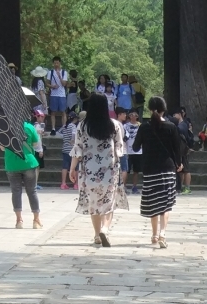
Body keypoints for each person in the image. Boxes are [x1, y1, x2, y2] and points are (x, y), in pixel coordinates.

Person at [71, 90, 125, 247]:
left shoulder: (82, 126)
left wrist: (72, 168)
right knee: (109, 201)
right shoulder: (114, 125)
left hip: (89, 170)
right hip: (109, 170)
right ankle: (105, 229)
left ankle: (96, 234)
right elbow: (119, 149)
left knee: (93, 203)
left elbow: (78, 149)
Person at [130, 95, 182, 248]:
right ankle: (162, 234)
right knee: (166, 204)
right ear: (164, 109)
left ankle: (153, 234)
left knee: (153, 202)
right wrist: (179, 164)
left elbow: (135, 147)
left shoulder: (144, 127)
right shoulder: (171, 127)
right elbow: (177, 149)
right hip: (167, 169)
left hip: (149, 169)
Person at [5, 110, 43, 229]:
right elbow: (36, 144)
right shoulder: (29, 127)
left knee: (16, 191)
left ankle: (19, 220)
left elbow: (2, 147)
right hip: (28, 163)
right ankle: (36, 220)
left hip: (12, 163)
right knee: (32, 191)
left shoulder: (5, 128)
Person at [47, 58, 69, 134]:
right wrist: (52, 86)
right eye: (55, 63)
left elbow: (64, 84)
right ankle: (53, 128)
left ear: (60, 63)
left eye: (57, 63)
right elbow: (47, 83)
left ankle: (64, 127)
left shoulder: (64, 73)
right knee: (53, 112)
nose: (56, 64)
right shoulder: (50, 72)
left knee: (63, 111)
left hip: (62, 94)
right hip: (54, 94)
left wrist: (59, 76)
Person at [59, 113, 79, 190]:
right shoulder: (73, 126)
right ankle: (76, 184)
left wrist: (65, 139)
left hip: (65, 148)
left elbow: (59, 132)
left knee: (65, 167)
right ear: (75, 119)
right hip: (72, 149)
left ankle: (63, 183)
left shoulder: (65, 126)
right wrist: (73, 140)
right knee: (76, 167)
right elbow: (74, 134)